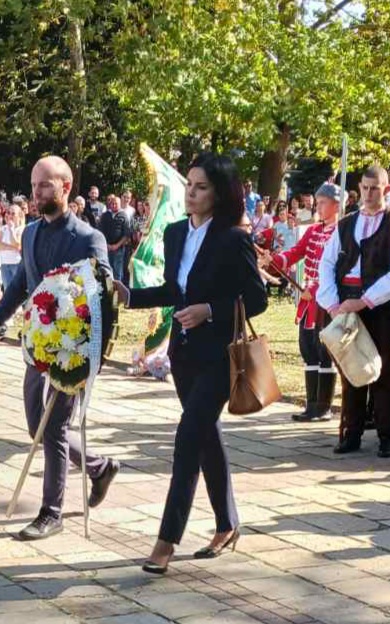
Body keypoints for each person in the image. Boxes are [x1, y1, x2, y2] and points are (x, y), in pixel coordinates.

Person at [113, 152, 267, 574]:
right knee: (205, 437)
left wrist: (210, 311)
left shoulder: (233, 238)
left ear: (219, 193)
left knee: (186, 439)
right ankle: (227, 524)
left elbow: (257, 300)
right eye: (190, 185)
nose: (191, 194)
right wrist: (129, 295)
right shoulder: (176, 232)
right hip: (183, 357)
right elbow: (172, 290)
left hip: (220, 357)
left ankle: (166, 541)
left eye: (201, 187)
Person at [0, 156, 119, 541]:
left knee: (54, 426)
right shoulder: (29, 234)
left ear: (66, 187)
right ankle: (99, 467)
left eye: (44, 185)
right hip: (38, 345)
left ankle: (50, 513)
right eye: (33, 185)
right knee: (36, 426)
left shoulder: (89, 238)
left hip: (72, 350)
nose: (36, 193)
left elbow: (103, 295)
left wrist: (93, 354)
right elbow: (20, 284)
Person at [317, 165, 390, 458]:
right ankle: (352, 433)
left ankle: (385, 435)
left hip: (381, 307)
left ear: (387, 189)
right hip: (345, 301)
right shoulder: (347, 224)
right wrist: (332, 303)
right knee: (351, 368)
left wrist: (365, 301)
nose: (369, 194)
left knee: (383, 369)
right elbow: (327, 263)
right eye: (365, 187)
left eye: (375, 188)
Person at [262, 183, 341, 422]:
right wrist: (275, 260)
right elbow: (296, 252)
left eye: (323, 203)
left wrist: (315, 290)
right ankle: (311, 405)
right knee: (308, 349)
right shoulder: (314, 230)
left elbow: (337, 269)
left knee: (324, 351)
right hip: (308, 301)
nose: (319, 207)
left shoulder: (341, 233)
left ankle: (323, 407)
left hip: (327, 302)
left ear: (336, 205)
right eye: (318, 202)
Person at [99, 195, 131, 283]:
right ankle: (109, 289)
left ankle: (118, 289)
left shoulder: (124, 215)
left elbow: (126, 234)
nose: (113, 205)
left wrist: (116, 246)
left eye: (116, 203)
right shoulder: (105, 215)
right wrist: (107, 245)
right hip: (106, 248)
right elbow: (101, 231)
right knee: (107, 270)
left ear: (120, 204)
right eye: (112, 203)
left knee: (117, 272)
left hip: (119, 249)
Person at [0, 203, 24, 288]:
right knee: (7, 290)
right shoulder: (3, 228)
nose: (10, 215)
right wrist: (12, 247)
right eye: (8, 213)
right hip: (4, 264)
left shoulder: (22, 229)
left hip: (17, 264)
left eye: (13, 213)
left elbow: (16, 244)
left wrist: (12, 230)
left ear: (19, 215)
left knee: (19, 290)